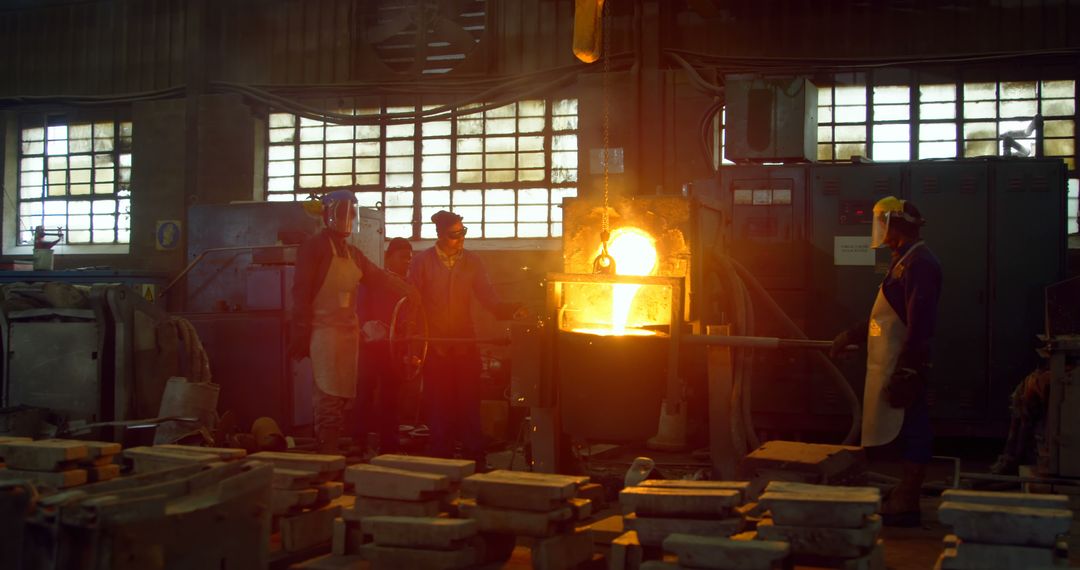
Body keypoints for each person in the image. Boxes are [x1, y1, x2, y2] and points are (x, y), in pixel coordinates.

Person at [830, 196, 942, 527]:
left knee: (914, 426)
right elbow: (884, 316)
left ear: (894, 225)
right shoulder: (903, 260)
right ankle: (904, 496)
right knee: (907, 426)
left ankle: (907, 499)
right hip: (892, 361)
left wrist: (909, 370)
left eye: (881, 223)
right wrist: (850, 335)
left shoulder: (920, 263)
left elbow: (919, 323)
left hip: (905, 362)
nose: (878, 230)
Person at [290, 191, 413, 454]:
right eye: (346, 213)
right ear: (330, 214)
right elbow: (300, 294)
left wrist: (408, 290)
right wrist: (300, 333)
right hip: (323, 332)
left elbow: (377, 277)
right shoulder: (314, 248)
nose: (350, 219)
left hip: (347, 333)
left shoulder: (353, 253)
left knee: (343, 397)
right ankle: (327, 454)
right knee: (327, 398)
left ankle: (333, 452)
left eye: (353, 214)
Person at [408, 210, 527, 465]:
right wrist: (415, 343)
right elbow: (412, 306)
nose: (460, 238)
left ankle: (475, 459)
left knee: (469, 404)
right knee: (439, 407)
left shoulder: (472, 262)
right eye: (454, 235)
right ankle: (441, 461)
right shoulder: (422, 263)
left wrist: (511, 309)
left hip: (464, 345)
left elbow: (488, 297)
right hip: (436, 347)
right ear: (440, 235)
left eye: (463, 232)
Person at [355, 237, 413, 455]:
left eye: (410, 258)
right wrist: (369, 329)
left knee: (391, 397)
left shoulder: (409, 287)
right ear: (388, 258)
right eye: (402, 257)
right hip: (371, 347)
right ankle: (358, 441)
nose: (407, 262)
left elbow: (411, 317)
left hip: (394, 350)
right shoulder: (372, 281)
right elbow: (361, 312)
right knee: (365, 393)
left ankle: (389, 443)